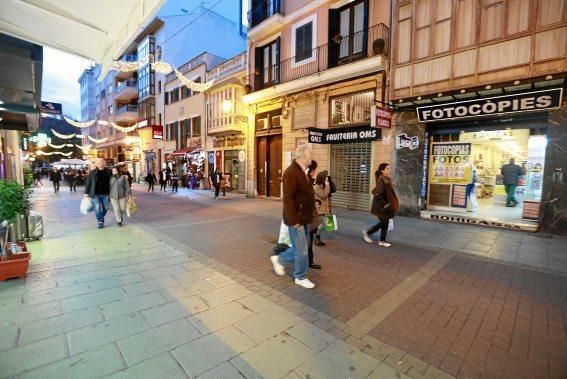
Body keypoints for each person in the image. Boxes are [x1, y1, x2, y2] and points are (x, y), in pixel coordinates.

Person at [270, 145, 316, 289]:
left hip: (305, 217)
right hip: (297, 219)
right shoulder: (291, 172)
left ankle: (280, 259)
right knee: (301, 249)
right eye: (310, 155)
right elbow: (288, 199)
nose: (312, 158)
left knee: (301, 247)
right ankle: (300, 277)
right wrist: (294, 220)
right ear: (304, 156)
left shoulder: (304, 172)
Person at [363, 163, 399, 247]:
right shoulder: (381, 180)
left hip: (385, 206)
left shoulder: (387, 179)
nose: (389, 170)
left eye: (389, 168)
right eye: (387, 168)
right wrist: (386, 204)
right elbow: (378, 194)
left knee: (384, 223)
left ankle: (381, 240)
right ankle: (369, 233)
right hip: (381, 206)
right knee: (384, 223)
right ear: (382, 171)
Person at [84, 158, 111, 229]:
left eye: (101, 162)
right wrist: (86, 193)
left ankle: (100, 217)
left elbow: (116, 177)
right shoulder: (92, 173)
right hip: (95, 194)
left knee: (106, 207)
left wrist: (125, 177)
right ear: (96, 164)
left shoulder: (108, 171)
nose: (99, 163)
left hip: (105, 193)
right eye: (97, 162)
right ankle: (100, 221)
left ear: (104, 163)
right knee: (97, 207)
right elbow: (88, 184)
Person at [307, 160, 321, 270]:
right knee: (307, 243)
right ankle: (282, 257)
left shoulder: (310, 182)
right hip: (306, 217)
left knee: (309, 241)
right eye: (313, 170)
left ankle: (310, 261)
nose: (314, 172)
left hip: (310, 216)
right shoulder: (306, 181)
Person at [313, 170, 332, 247]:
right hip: (320, 208)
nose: (327, 177)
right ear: (322, 178)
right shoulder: (317, 186)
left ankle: (316, 235)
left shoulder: (323, 184)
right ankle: (316, 235)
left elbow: (333, 190)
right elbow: (323, 195)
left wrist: (328, 184)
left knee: (329, 225)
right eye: (326, 176)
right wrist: (327, 185)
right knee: (326, 224)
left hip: (326, 207)